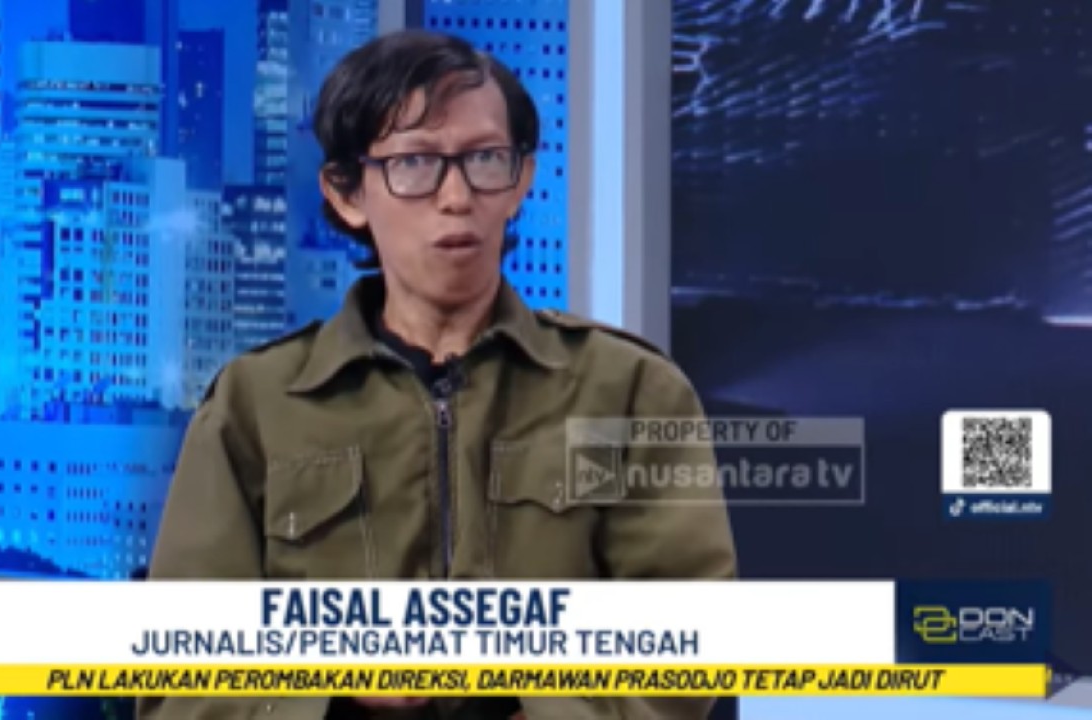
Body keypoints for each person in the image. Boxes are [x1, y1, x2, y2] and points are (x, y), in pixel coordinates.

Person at [137, 29, 737, 720]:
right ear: (347, 192)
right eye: (416, 163)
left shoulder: (629, 392)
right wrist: (336, 698)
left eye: (485, 159)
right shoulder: (256, 406)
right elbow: (178, 686)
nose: (456, 196)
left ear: (521, 180)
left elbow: (686, 654)